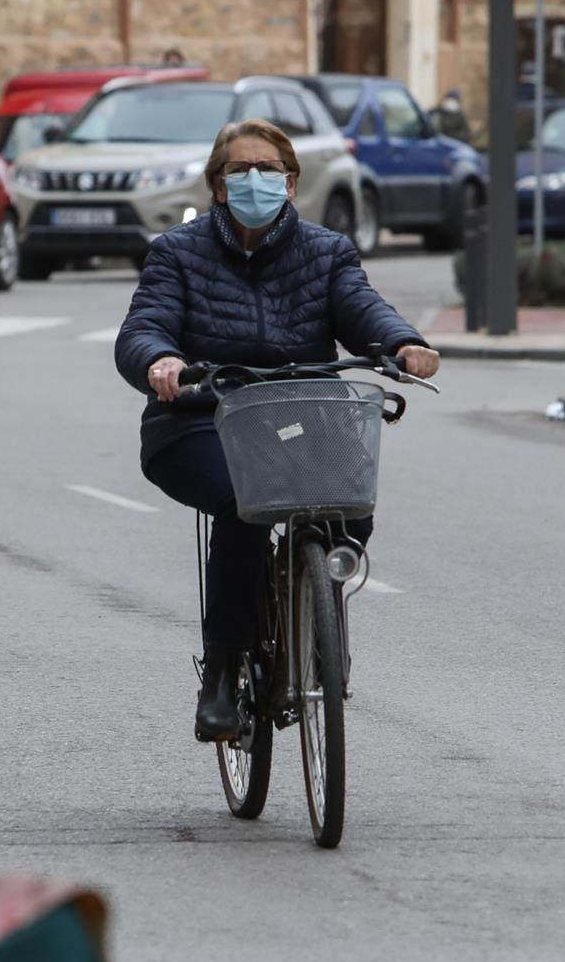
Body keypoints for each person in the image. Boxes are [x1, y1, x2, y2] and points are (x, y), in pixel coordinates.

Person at [114, 119, 439, 742]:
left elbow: (361, 306)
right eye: (240, 170)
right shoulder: (176, 253)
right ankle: (224, 670)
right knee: (246, 504)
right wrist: (161, 361)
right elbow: (144, 326)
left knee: (351, 506)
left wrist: (403, 342)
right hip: (199, 421)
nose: (255, 180)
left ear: (291, 185)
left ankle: (312, 598)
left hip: (299, 413)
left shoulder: (327, 251)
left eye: (269, 170)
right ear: (217, 185)